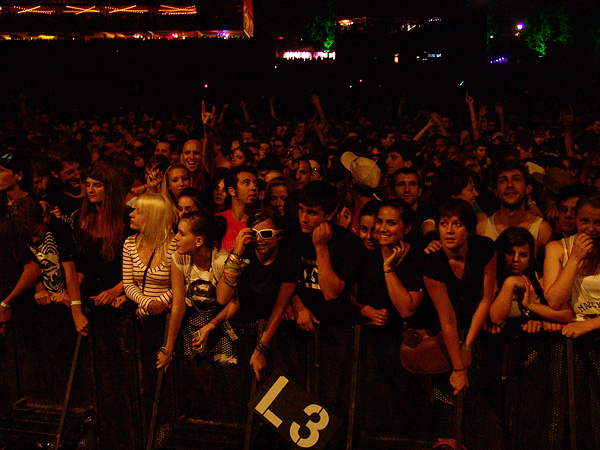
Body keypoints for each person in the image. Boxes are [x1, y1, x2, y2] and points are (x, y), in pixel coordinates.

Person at [218, 207, 302, 381]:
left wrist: (260, 349)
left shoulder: (288, 259)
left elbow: (279, 309)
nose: (259, 239)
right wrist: (237, 251)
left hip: (275, 336)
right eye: (254, 233)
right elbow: (222, 297)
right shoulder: (245, 253)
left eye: (265, 233)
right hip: (241, 333)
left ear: (279, 235)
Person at [423, 199, 497, 395]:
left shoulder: (484, 248)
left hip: (475, 327)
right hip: (439, 333)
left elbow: (485, 298)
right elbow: (447, 319)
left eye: (457, 224)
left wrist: (467, 347)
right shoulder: (433, 263)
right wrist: (458, 368)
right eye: (444, 224)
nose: (449, 230)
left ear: (469, 229)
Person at [156, 210, 235, 372]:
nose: (176, 238)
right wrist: (168, 348)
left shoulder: (221, 261)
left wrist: (210, 327)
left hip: (220, 330)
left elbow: (234, 302)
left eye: (182, 234)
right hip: (194, 332)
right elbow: (178, 304)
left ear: (198, 241)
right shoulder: (179, 257)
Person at [75, 162, 128, 334]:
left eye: (97, 185)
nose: (90, 190)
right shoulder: (83, 219)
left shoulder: (127, 218)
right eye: (88, 185)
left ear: (109, 188)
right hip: (89, 300)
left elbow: (136, 266)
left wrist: (116, 291)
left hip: (118, 300)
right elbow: (80, 265)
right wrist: (71, 295)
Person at [489, 227, 572, 330]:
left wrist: (531, 306)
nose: (516, 260)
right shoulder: (493, 280)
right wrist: (510, 283)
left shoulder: (540, 279)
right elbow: (496, 319)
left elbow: (567, 315)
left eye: (523, 255)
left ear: (530, 257)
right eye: (510, 253)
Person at [544, 194, 600, 337]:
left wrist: (589, 325)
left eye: (598, 223)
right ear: (575, 219)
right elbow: (555, 301)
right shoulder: (556, 248)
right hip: (570, 334)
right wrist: (574, 258)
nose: (591, 229)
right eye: (584, 221)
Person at [123, 193, 177, 319]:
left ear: (154, 216)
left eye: (139, 211)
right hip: (140, 317)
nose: (131, 214)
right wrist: (148, 304)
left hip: (167, 316)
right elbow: (128, 284)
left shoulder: (175, 245)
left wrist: (156, 305)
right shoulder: (129, 243)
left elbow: (181, 286)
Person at [217, 166, 259, 252]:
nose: (253, 188)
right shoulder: (218, 220)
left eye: (255, 184)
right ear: (232, 191)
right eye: (247, 183)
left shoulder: (260, 221)